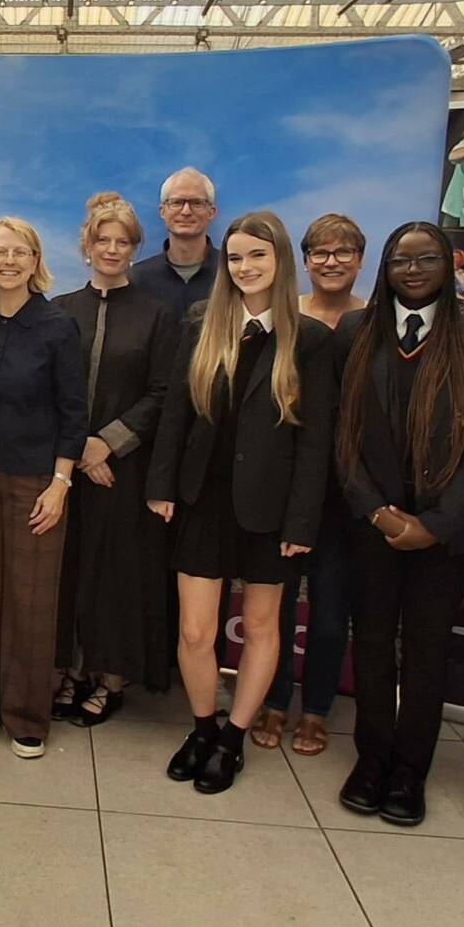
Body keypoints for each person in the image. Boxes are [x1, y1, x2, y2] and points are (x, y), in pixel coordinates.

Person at [148, 211, 336, 795]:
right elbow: (176, 412)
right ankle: (202, 727)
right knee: (197, 630)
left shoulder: (309, 338)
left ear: (279, 260)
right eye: (235, 258)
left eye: (258, 255)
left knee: (260, 627)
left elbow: (316, 439)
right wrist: (160, 485)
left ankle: (233, 736)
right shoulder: (203, 323)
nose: (246, 267)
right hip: (203, 500)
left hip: (271, 511)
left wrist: (303, 519)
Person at [333, 221, 464, 825]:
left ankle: (411, 771)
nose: (412, 269)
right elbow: (340, 435)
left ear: (447, 266)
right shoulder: (356, 333)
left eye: (425, 258)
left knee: (427, 653)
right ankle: (372, 758)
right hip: (372, 526)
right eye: (400, 260)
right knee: (373, 647)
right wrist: (375, 510)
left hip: (440, 535)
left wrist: (436, 524)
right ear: (385, 267)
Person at [0, 217, 88, 758]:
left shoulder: (56, 325)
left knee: (30, 599)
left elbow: (74, 413)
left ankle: (27, 715)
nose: (9, 260)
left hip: (36, 479)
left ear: (35, 260)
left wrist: (60, 484)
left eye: (20, 251)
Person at [54, 193, 179, 725]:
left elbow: (163, 391)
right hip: (65, 467)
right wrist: (81, 447)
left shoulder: (157, 315)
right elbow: (49, 388)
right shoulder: (60, 311)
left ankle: (110, 678)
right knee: (70, 570)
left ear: (134, 248)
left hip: (124, 471)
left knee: (117, 575)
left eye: (121, 241)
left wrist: (110, 442)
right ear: (86, 246)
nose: (111, 248)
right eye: (102, 239)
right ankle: (70, 670)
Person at [252, 214, 367, 756]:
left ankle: (316, 708)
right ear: (304, 259)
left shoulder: (373, 320)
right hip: (285, 481)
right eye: (320, 252)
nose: (331, 262)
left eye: (343, 252)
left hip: (346, 487)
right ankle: (272, 700)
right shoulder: (285, 315)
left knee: (329, 607)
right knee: (272, 604)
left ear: (360, 259)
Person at [133, 167, 220, 317]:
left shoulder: (229, 271)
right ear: (162, 211)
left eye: (197, 203)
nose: (186, 211)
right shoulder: (137, 278)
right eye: (177, 202)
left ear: (211, 212)